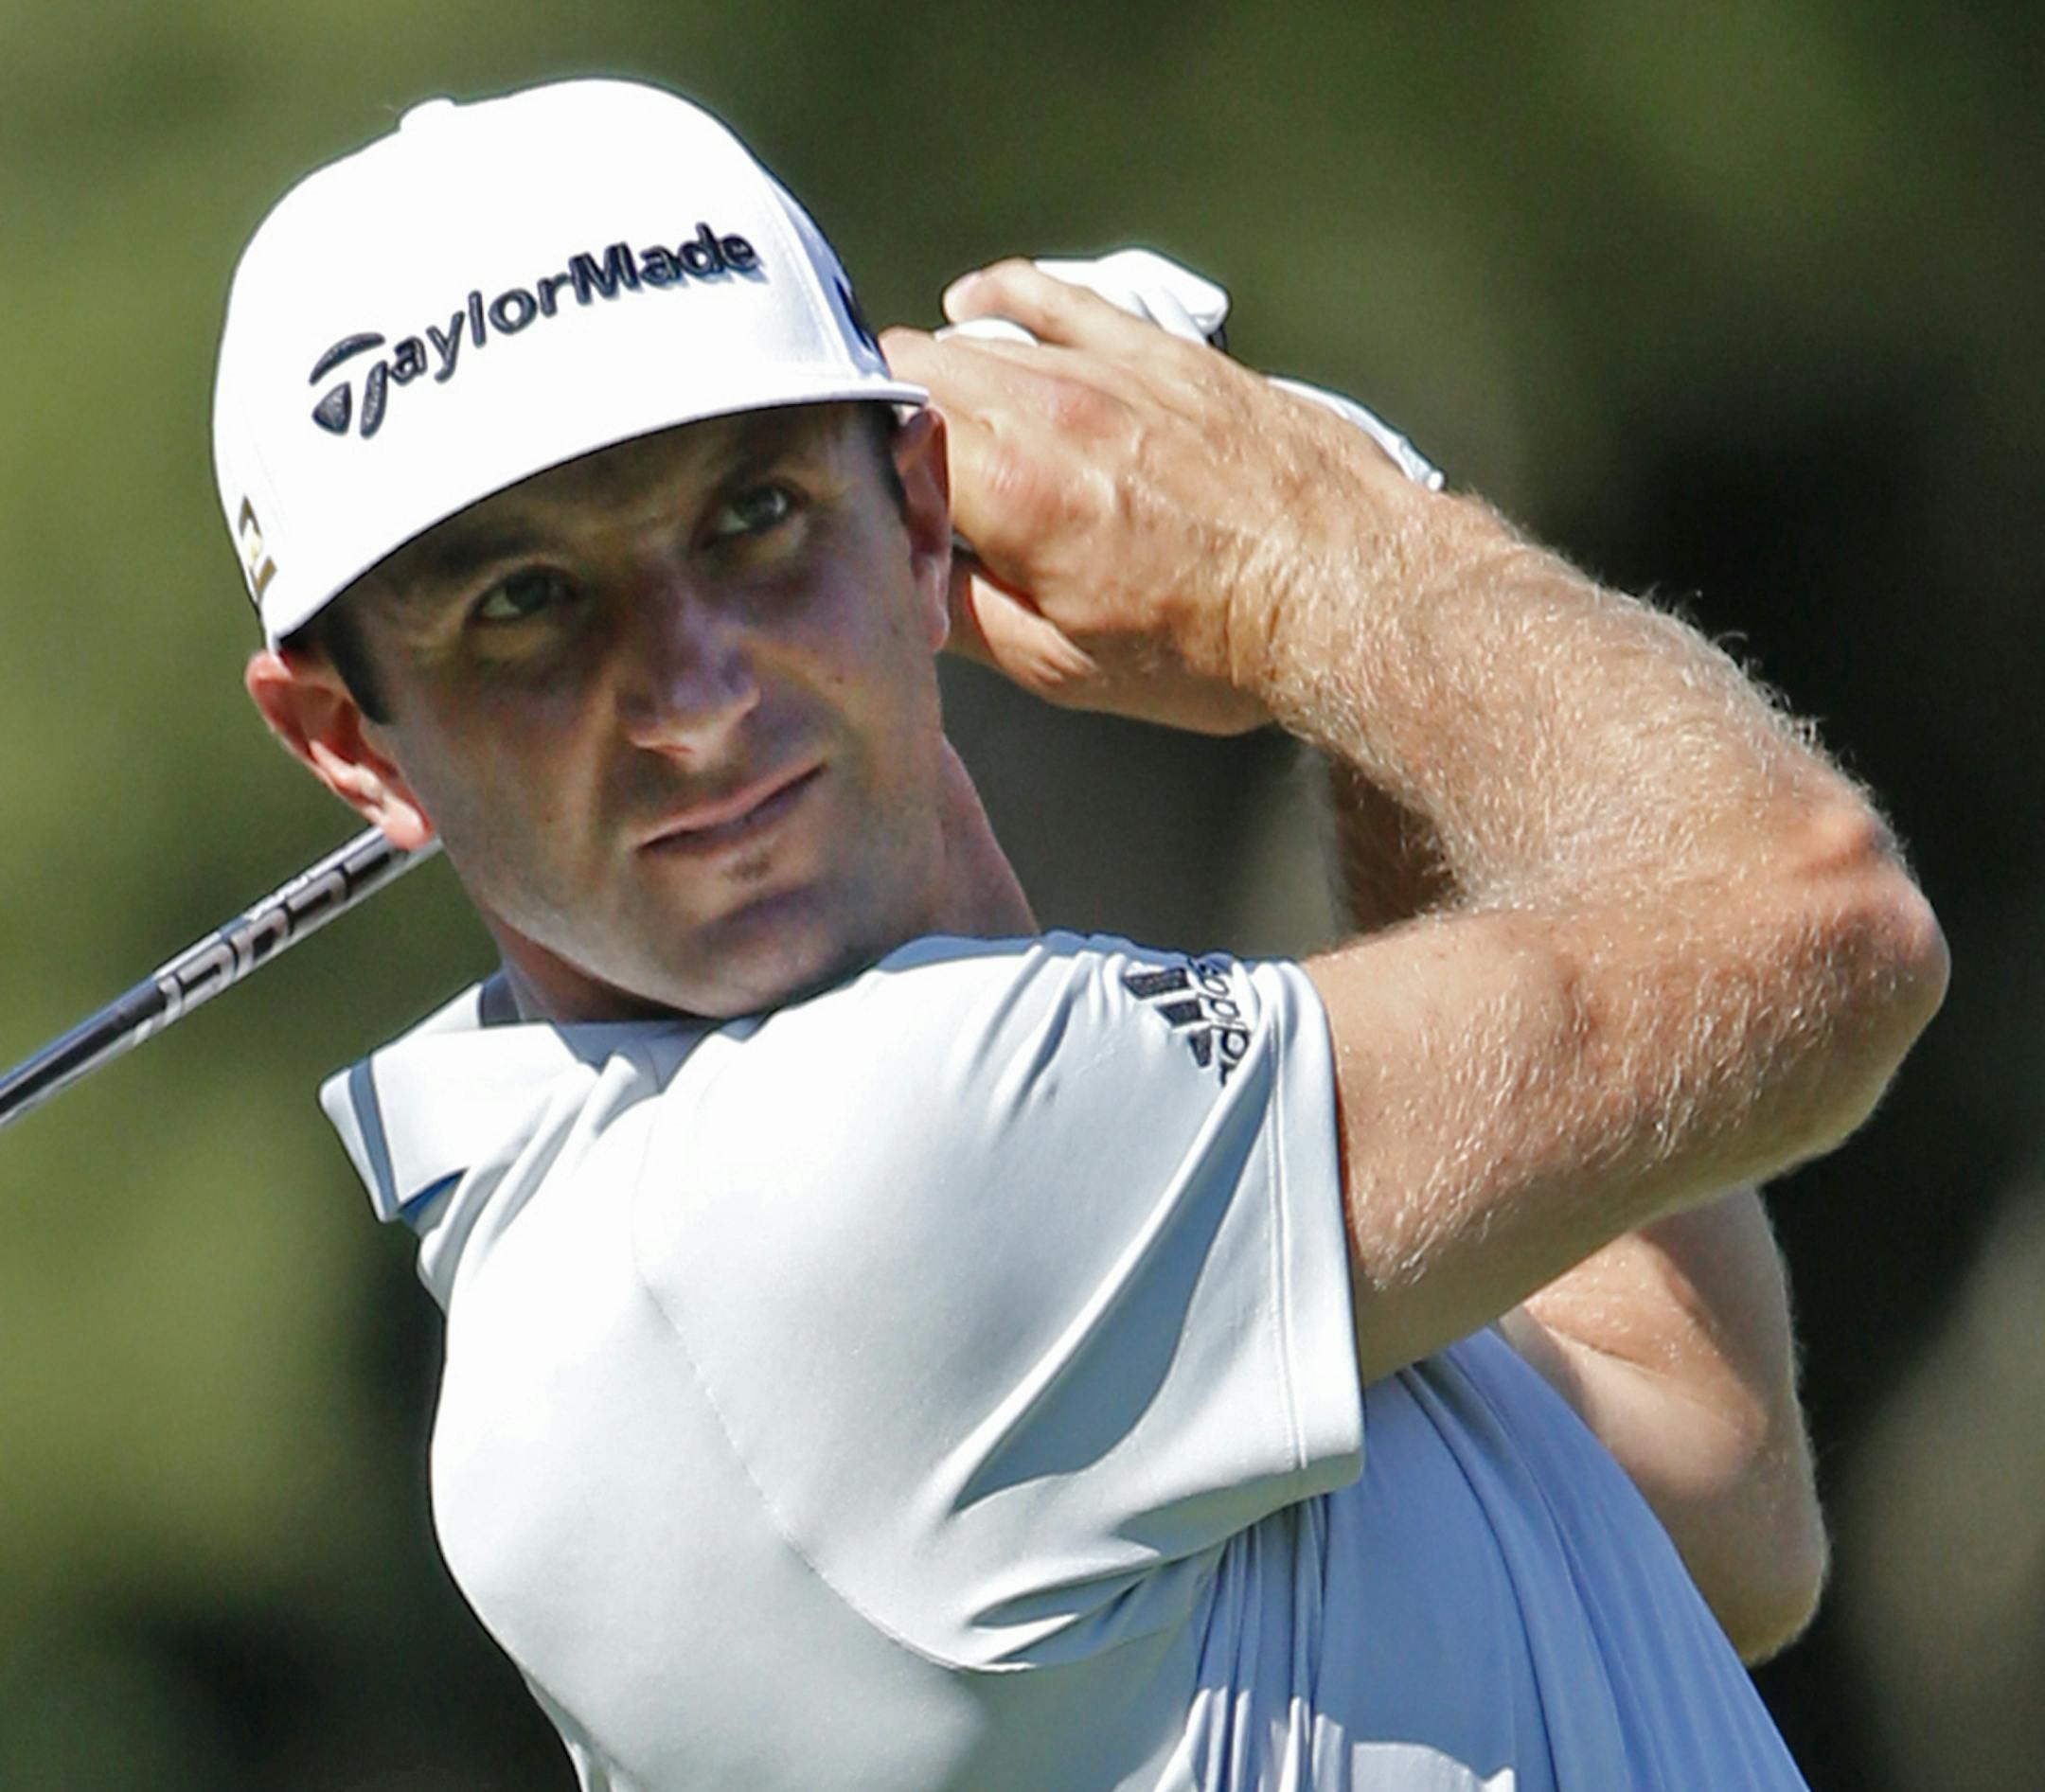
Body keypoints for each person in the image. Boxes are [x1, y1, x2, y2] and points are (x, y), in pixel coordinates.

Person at [213, 77, 1945, 1792]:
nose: (697, 688)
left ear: (912, 510)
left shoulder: (1058, 1244)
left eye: (752, 515)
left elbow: (1703, 1482)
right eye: (527, 602)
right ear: (352, 739)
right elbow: (1811, 913)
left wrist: (1355, 590)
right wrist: (1309, 551)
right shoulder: (832, 1196)